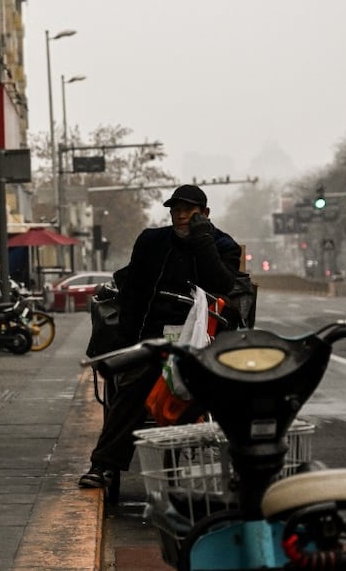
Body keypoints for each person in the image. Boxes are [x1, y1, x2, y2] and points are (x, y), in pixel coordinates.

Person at [78, 184, 241, 495]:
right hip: (155, 340)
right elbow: (133, 295)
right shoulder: (152, 241)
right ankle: (104, 466)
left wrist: (202, 238)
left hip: (204, 344)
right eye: (175, 210)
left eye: (188, 211)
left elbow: (221, 285)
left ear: (204, 214)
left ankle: (234, 473)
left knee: (219, 395)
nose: (180, 216)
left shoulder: (222, 245)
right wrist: (128, 344)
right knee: (133, 389)